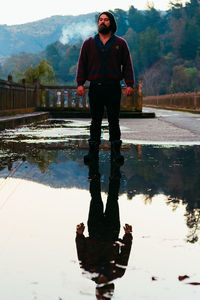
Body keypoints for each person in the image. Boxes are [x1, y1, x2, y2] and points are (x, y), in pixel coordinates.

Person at [76, 11, 135, 164]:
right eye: (100, 20)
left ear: (111, 23)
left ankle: (116, 153)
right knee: (95, 120)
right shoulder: (88, 43)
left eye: (106, 20)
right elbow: (82, 64)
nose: (102, 22)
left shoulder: (120, 43)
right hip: (95, 87)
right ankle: (92, 153)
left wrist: (129, 84)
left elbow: (127, 64)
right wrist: (80, 84)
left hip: (113, 87)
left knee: (113, 120)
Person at [75, 161, 133, 299]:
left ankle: (93, 164)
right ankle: (115, 165)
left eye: (99, 295)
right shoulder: (117, 273)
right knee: (113, 199)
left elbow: (81, 252)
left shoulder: (87, 272)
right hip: (112, 232)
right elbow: (125, 252)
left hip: (94, 230)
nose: (99, 293)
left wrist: (79, 235)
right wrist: (128, 236)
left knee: (95, 198)